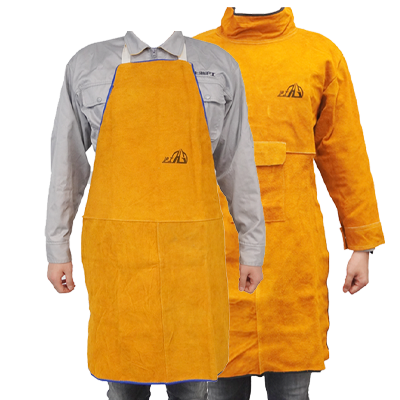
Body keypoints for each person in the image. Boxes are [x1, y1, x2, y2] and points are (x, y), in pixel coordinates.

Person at [45, 30, 266, 399]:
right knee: (123, 383)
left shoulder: (219, 65)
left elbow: (237, 165)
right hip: (119, 256)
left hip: (193, 258)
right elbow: (67, 166)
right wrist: (57, 248)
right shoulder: (86, 64)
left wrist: (252, 248)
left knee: (192, 383)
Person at [194, 7, 385, 399]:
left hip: (292, 260)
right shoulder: (194, 56)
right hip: (211, 255)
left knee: (292, 391)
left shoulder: (319, 55)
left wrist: (362, 244)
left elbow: (345, 155)